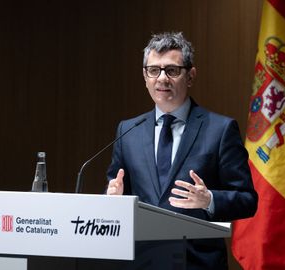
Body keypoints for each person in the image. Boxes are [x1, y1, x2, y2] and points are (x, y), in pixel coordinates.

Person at [106, 32, 258, 269]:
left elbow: (247, 200)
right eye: (153, 70)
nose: (162, 79)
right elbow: (117, 187)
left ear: (190, 76)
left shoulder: (220, 129)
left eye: (172, 70)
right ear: (145, 76)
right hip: (140, 261)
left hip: (196, 262)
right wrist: (115, 199)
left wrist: (209, 200)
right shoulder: (128, 131)